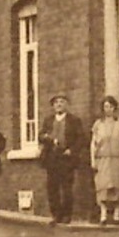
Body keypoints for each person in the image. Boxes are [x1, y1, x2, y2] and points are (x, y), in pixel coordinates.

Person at [38, 92, 84, 225]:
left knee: (67, 188)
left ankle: (66, 215)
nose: (59, 104)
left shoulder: (74, 120)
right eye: (56, 102)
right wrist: (45, 137)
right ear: (53, 106)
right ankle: (56, 215)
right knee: (52, 188)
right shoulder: (48, 120)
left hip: (66, 158)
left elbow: (81, 138)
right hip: (51, 157)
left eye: (62, 102)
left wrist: (72, 150)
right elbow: (41, 135)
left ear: (66, 105)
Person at [89, 96, 119, 224]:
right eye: (106, 107)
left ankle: (116, 214)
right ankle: (103, 214)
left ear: (115, 108)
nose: (108, 109)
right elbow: (93, 143)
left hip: (117, 159)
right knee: (103, 186)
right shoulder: (98, 124)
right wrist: (93, 160)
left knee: (117, 185)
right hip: (102, 159)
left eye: (111, 106)